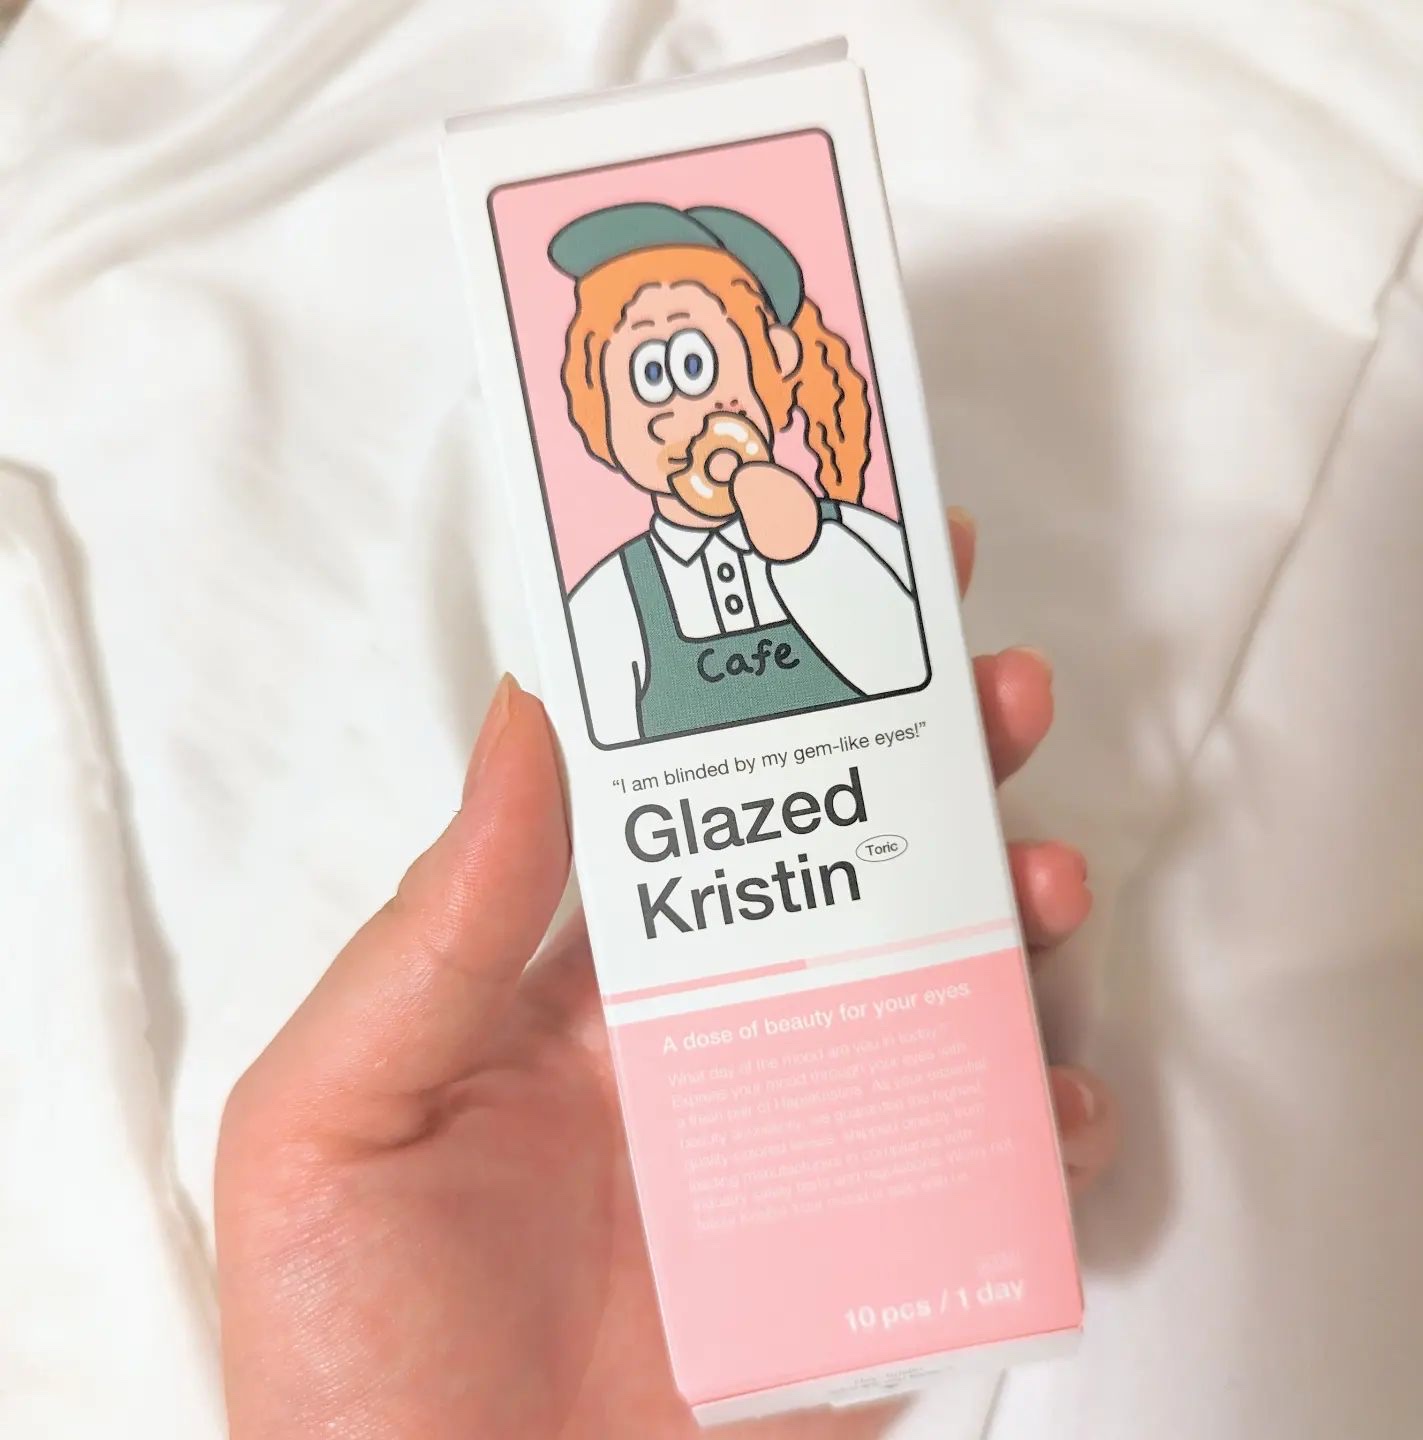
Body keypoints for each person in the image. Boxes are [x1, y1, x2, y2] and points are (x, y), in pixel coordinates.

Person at [215, 512, 1118, 1439]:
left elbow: (888, 646)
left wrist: (814, 554)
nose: (705, 442)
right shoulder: (616, 596)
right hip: (721, 1046)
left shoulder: (832, 551)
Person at [551, 203, 928, 745]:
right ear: (597, 406)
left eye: (695, 364)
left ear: (776, 359)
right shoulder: (610, 603)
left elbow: (916, 688)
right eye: (649, 374)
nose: (679, 411)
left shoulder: (863, 538)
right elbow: (605, 765)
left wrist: (809, 554)